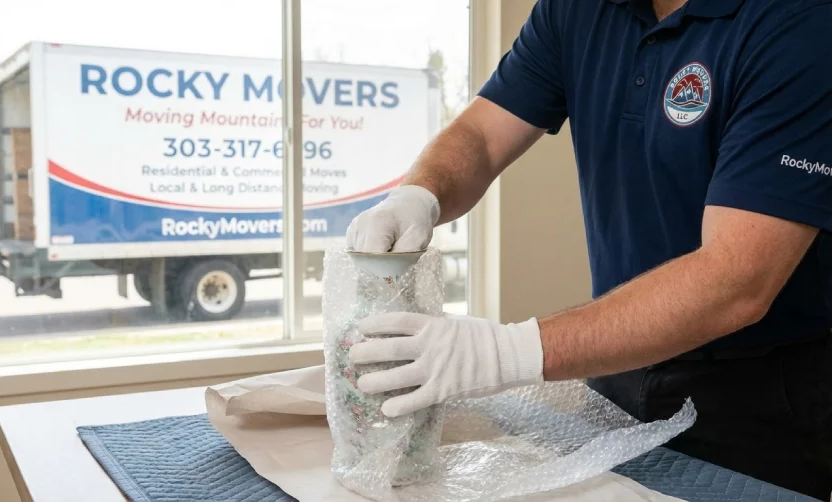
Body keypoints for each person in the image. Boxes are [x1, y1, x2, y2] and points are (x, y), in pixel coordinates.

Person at [344, 0, 832, 498]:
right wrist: (419, 194)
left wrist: (501, 352)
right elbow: (482, 135)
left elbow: (737, 281)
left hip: (758, 390)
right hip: (612, 361)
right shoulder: (577, 8)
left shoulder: (799, 23)